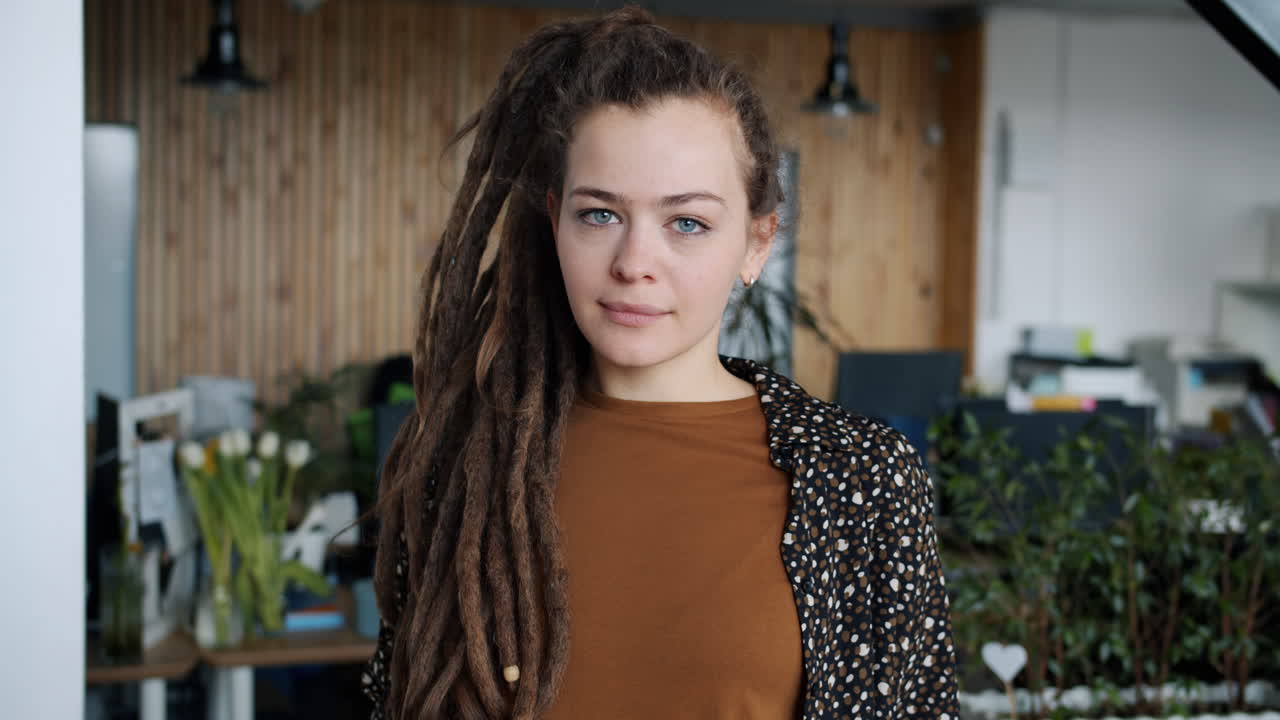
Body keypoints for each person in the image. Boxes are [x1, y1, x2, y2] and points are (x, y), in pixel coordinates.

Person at [363, 7, 958, 720]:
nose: (634, 264)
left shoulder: (863, 479)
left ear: (756, 243)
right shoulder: (461, 466)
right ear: (555, 222)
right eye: (601, 215)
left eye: (687, 223)